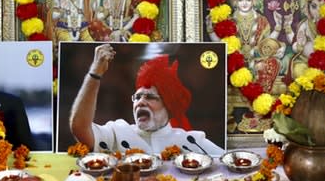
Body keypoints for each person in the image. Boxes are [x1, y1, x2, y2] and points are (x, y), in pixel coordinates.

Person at [69, 44, 223, 156]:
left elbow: (226, 162)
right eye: (137, 97)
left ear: (168, 106)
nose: (140, 102)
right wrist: (95, 74)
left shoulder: (190, 140)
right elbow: (79, 128)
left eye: (150, 97)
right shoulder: (117, 131)